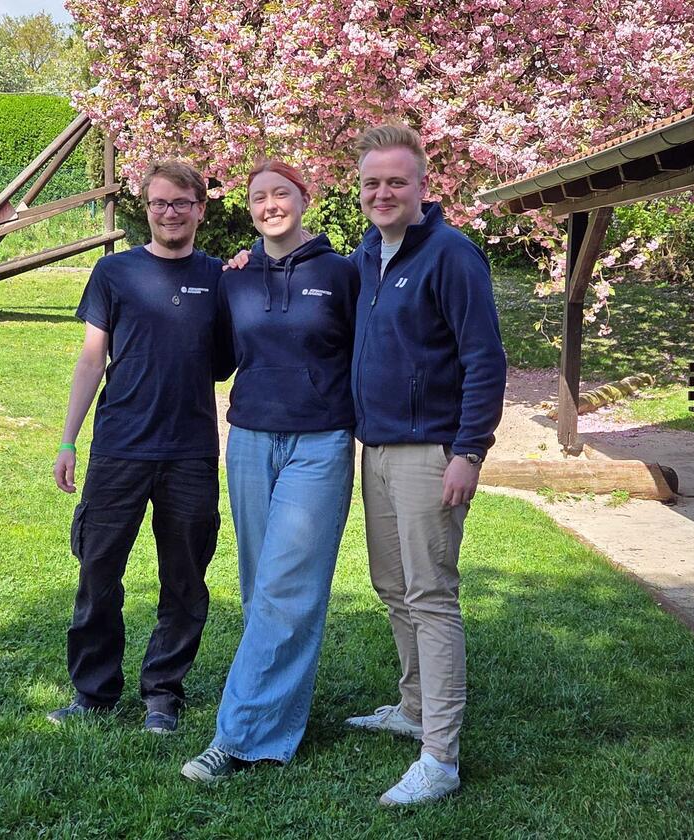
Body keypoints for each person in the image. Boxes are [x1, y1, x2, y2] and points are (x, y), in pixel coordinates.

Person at [342, 124, 507, 805]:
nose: (382, 193)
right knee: (392, 585)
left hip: (432, 451)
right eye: (371, 183)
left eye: (395, 181)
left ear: (421, 186)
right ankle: (413, 709)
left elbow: (484, 358)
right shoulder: (365, 255)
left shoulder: (451, 254)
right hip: (376, 448)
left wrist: (469, 450)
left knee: (431, 596)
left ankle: (440, 757)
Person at [180, 160, 359, 783]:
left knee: (288, 587)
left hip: (320, 442)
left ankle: (235, 738)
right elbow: (220, 360)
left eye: (281, 193)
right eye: (258, 197)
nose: (270, 205)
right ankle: (275, 725)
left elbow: (368, 351)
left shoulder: (342, 273)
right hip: (251, 440)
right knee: (262, 588)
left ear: (305, 198)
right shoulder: (234, 278)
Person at [49, 160, 229, 734]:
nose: (169, 213)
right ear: (146, 208)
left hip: (190, 453)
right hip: (119, 448)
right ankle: (94, 692)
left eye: (181, 203)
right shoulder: (113, 272)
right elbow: (90, 359)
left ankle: (163, 695)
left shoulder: (220, 277)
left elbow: (227, 361)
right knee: (98, 573)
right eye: (159, 203)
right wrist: (68, 440)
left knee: (185, 580)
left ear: (200, 208)